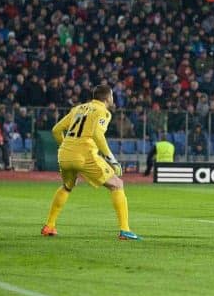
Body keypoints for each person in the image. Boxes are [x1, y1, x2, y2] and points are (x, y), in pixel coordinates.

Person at [41, 85, 141, 240]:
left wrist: (67, 146)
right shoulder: (103, 112)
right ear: (108, 98)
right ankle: (125, 230)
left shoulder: (78, 109)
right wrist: (111, 159)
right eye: (112, 96)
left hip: (64, 154)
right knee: (117, 184)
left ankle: (49, 226)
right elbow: (97, 134)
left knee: (67, 186)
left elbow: (56, 130)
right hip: (84, 155)